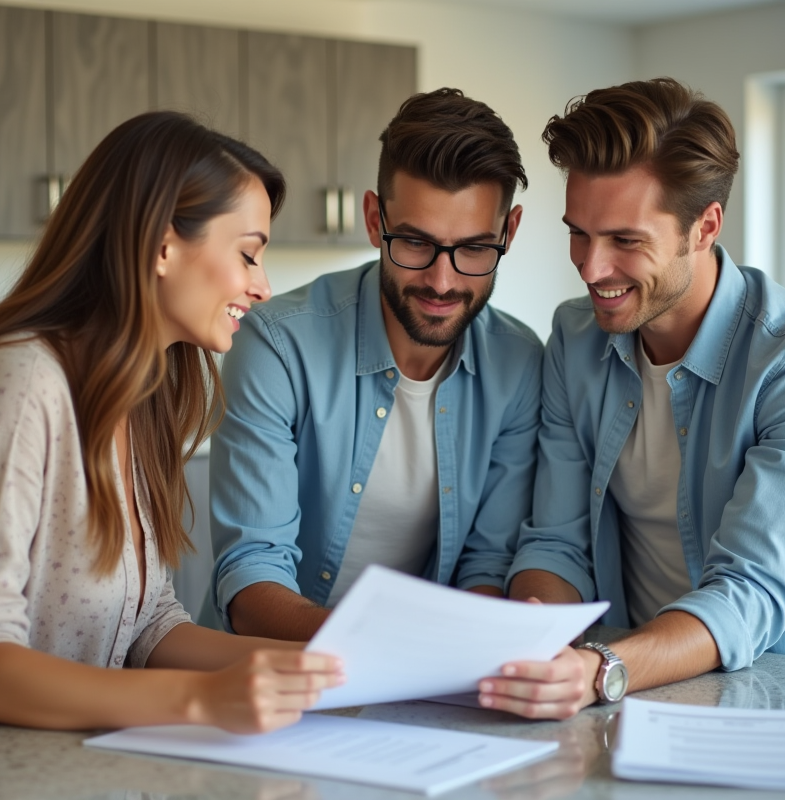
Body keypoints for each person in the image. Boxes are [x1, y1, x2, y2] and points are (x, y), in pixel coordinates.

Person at [0, 112, 343, 734]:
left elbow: (149, 626)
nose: (261, 286)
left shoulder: (139, 404)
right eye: (249, 254)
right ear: (162, 246)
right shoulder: (19, 381)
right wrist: (200, 701)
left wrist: (330, 669)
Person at [492, 77, 785, 719]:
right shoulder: (575, 340)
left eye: (625, 241)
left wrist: (601, 669)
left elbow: (747, 593)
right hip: (622, 695)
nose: (589, 266)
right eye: (578, 233)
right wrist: (540, 639)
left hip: (779, 703)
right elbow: (556, 543)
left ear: (704, 227)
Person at [205, 89, 547, 647]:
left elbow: (486, 567)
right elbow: (250, 581)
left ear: (508, 232)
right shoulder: (276, 345)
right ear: (373, 219)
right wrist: (395, 648)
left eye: (475, 249)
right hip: (273, 675)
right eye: (414, 242)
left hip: (423, 686)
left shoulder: (519, 363)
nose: (442, 281)